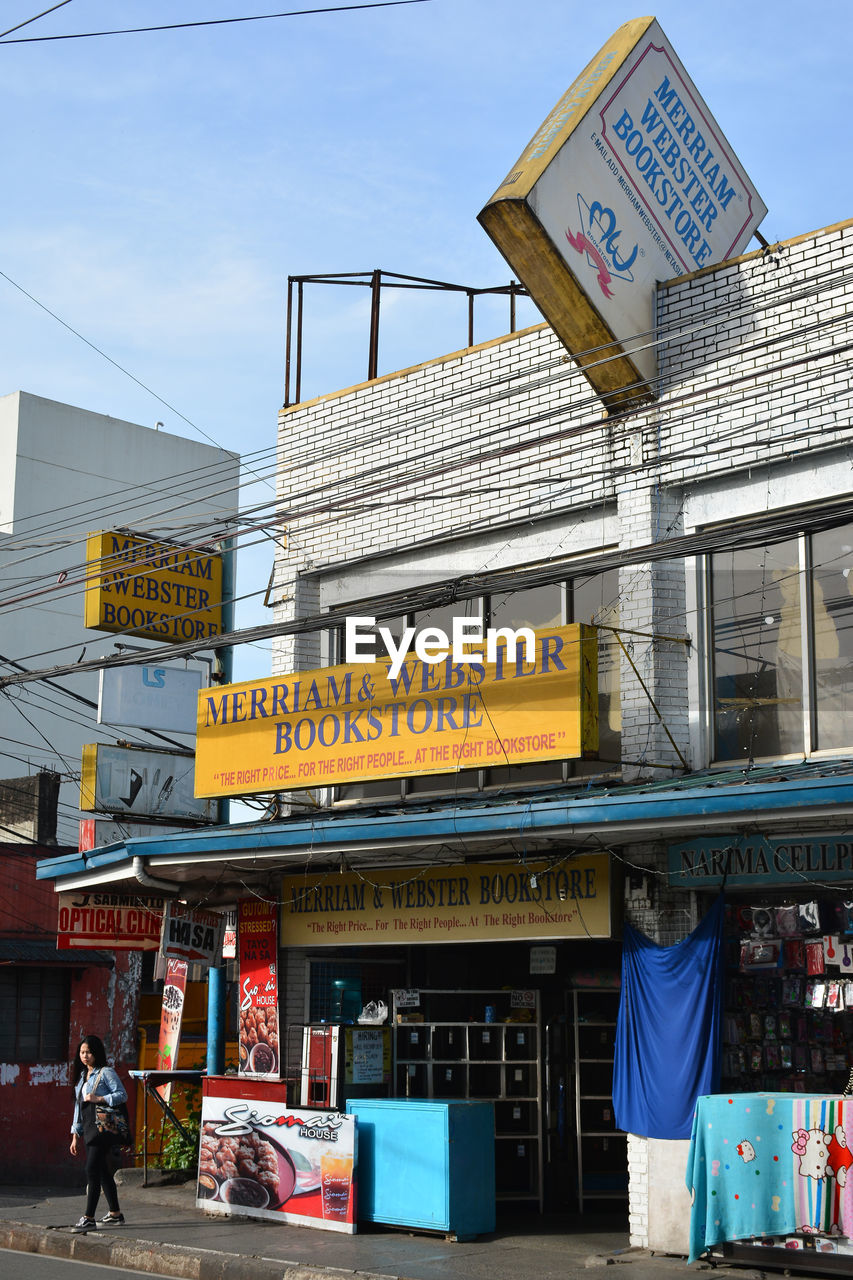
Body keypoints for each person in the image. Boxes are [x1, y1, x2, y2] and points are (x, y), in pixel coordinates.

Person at [69, 1034, 128, 1233]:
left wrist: (99, 1098)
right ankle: (115, 1214)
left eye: (89, 1052)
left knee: (91, 1170)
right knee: (102, 1171)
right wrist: (75, 1135)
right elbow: (78, 1108)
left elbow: (122, 1095)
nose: (85, 1056)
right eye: (82, 1052)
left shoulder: (106, 1072)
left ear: (96, 1053)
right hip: (88, 1129)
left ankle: (89, 1218)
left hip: (102, 1130)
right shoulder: (82, 1076)